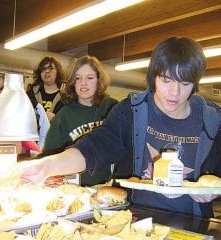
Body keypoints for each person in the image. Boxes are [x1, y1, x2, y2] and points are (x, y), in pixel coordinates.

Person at [17, 37, 221, 218]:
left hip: (194, 226)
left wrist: (216, 189)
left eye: (185, 83)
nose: (174, 92)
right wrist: (46, 166)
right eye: (166, 80)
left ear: (195, 83)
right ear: (153, 77)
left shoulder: (213, 120)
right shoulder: (131, 112)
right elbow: (94, 148)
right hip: (134, 221)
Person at [40, 55, 118, 186]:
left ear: (99, 80)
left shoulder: (113, 108)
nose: (83, 83)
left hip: (107, 186)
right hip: (73, 188)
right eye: (78, 78)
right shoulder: (63, 115)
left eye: (90, 78)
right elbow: (49, 155)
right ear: (72, 82)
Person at [27, 56, 65, 122]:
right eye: (43, 68)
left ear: (58, 71)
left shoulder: (67, 95)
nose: (47, 71)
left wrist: (56, 119)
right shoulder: (31, 93)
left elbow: (72, 120)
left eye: (51, 68)